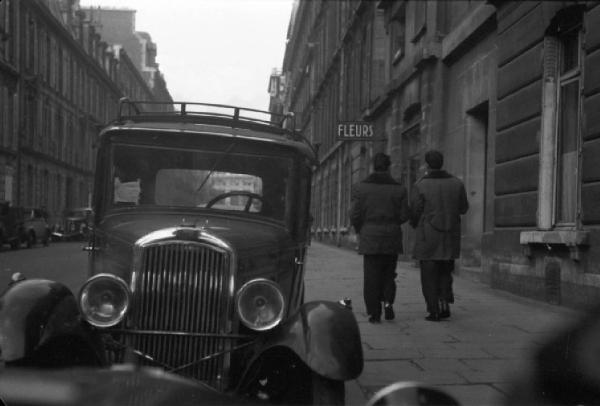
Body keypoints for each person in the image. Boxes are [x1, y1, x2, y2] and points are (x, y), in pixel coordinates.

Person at [350, 152, 410, 323]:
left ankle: (373, 313)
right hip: (391, 235)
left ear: (373, 166)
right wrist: (393, 222)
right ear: (388, 167)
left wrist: (361, 228)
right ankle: (388, 302)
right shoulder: (399, 189)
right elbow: (405, 214)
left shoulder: (361, 188)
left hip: (370, 235)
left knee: (371, 276)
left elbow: (354, 214)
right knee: (389, 273)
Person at [410, 150, 468, 321]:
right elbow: (464, 208)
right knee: (445, 271)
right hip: (449, 235)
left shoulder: (420, 185)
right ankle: (444, 301)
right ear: (442, 163)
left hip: (428, 235)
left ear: (427, 165)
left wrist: (415, 223)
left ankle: (433, 309)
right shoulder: (457, 183)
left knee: (428, 274)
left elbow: (414, 211)